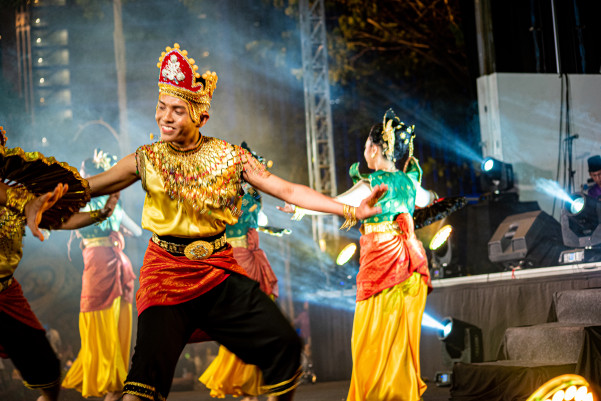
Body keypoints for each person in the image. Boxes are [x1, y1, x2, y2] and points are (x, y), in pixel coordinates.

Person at [85, 42, 386, 401]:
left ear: (200, 117)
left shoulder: (231, 157)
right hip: (165, 275)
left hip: (217, 273)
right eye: (162, 107)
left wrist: (349, 210)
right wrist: (40, 192)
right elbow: (90, 186)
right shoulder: (145, 158)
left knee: (286, 346)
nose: (165, 117)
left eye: (177, 110)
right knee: (141, 387)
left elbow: (287, 190)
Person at [282, 109, 433, 401]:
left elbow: (335, 204)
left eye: (366, 146)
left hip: (382, 266)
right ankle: (401, 394)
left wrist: (300, 207)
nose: (365, 151)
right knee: (399, 340)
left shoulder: (372, 184)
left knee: (371, 339)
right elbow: (429, 199)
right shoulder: (410, 182)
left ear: (375, 149)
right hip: (410, 265)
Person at [0, 130, 120, 401]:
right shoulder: (20, 197)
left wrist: (102, 213)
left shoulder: (19, 194)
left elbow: (59, 221)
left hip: (6, 293)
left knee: (50, 374)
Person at [199, 144, 286, 401]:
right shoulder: (235, 196)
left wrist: (271, 230)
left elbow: (249, 221)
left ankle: (254, 385)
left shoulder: (246, 196)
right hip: (239, 259)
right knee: (250, 320)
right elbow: (233, 219)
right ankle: (248, 383)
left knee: (257, 321)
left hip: (248, 257)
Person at [62, 151, 141, 401]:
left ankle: (110, 379)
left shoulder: (83, 203)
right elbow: (138, 231)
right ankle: (114, 379)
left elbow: (67, 222)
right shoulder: (113, 204)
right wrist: (119, 230)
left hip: (99, 264)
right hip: (117, 262)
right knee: (116, 323)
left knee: (100, 320)